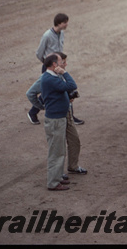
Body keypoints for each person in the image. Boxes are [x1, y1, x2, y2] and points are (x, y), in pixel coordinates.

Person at [26, 52, 87, 182]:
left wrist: (67, 97)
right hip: (56, 116)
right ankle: (56, 177)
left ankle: (72, 166)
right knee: (57, 149)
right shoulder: (46, 77)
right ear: (55, 64)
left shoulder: (57, 75)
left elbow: (61, 90)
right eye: (63, 62)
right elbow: (30, 93)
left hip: (66, 114)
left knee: (74, 141)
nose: (65, 65)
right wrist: (43, 106)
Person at [40, 53, 77, 191]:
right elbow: (72, 85)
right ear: (54, 64)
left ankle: (58, 177)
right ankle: (53, 183)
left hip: (57, 119)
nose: (63, 63)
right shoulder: (50, 78)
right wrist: (65, 73)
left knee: (59, 150)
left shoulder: (50, 77)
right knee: (56, 152)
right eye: (61, 61)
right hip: (56, 120)